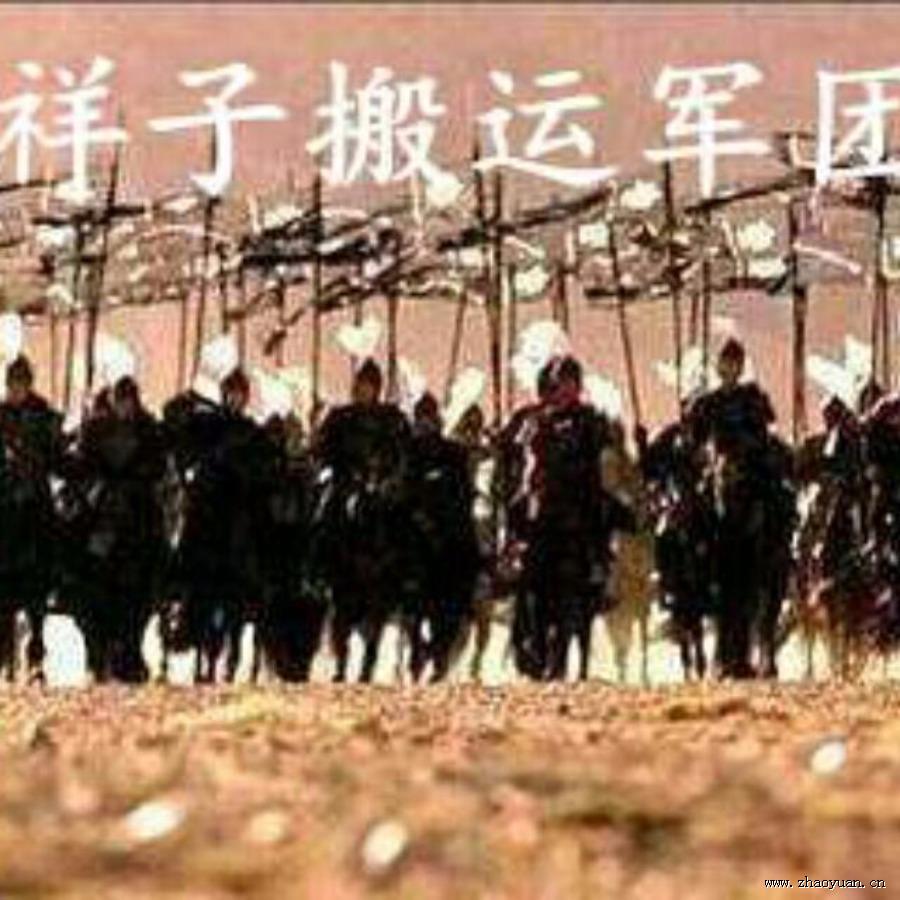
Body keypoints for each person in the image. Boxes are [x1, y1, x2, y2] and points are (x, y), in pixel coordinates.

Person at [683, 338, 789, 678]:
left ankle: (780, 556)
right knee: (688, 515)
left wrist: (753, 450)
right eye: (726, 361)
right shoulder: (708, 402)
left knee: (780, 501)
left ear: (741, 366)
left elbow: (766, 432)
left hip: (752, 470)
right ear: (719, 366)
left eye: (735, 361)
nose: (730, 367)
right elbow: (695, 440)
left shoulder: (753, 398)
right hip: (718, 472)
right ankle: (687, 571)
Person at [311, 358, 412, 682]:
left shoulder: (393, 418)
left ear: (377, 388)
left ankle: (407, 576)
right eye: (360, 385)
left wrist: (388, 480)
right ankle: (316, 570)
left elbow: (404, 455)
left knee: (405, 523)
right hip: (346, 485)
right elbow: (323, 450)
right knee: (323, 514)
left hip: (383, 488)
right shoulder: (340, 417)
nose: (363, 391)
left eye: (369, 386)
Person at [69, 376, 167, 682]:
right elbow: (82, 466)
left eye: (129, 401)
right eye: (120, 401)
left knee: (151, 563)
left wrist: (137, 483)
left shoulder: (149, 429)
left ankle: (131, 650)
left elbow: (159, 466)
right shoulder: (95, 428)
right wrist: (98, 487)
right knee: (84, 560)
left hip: (137, 513)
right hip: (104, 515)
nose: (125, 406)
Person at [0, 354, 64, 682]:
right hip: (5, 506)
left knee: (41, 575)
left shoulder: (44, 416)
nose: (16, 389)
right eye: (13, 383)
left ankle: (36, 648)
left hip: (35, 507)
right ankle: (5, 653)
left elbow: (57, 459)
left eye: (20, 383)